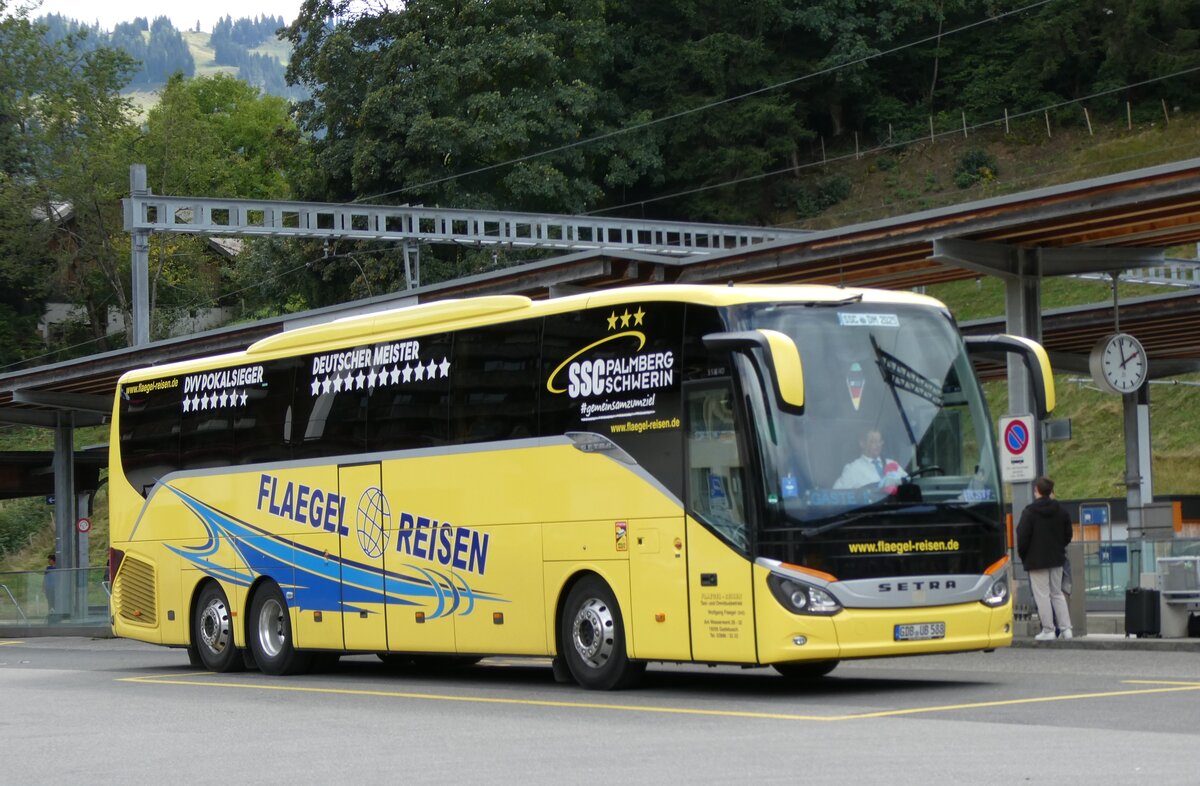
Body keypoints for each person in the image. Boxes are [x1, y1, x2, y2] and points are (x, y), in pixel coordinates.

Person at [1017, 476, 1073, 641]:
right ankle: (1066, 629)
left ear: (1037, 491)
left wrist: (1024, 555)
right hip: (1057, 559)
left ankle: (1048, 629)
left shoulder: (1029, 512)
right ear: (1051, 491)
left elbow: (1022, 537)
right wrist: (1058, 548)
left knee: (1042, 595)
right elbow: (1068, 535)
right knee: (1057, 593)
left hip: (1036, 561)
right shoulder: (1061, 511)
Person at [833, 429, 907, 490]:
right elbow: (836, 493)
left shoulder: (892, 464)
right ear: (862, 443)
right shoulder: (852, 469)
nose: (878, 445)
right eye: (873, 442)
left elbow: (908, 483)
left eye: (879, 441)